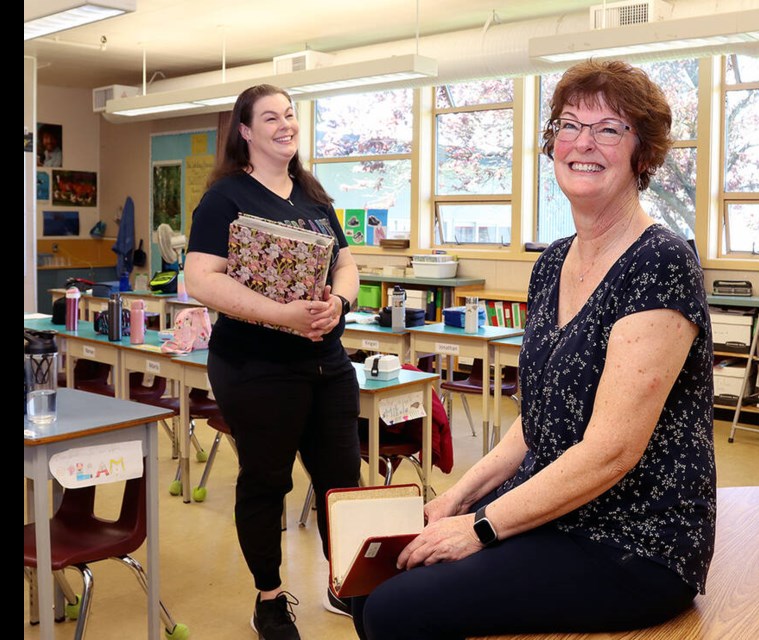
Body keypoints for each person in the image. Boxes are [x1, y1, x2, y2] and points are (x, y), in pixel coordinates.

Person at [353, 59, 717, 639]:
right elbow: (537, 422)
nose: (583, 143)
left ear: (642, 154)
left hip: (632, 539)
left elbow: (611, 452)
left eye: (609, 129)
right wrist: (457, 500)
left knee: (395, 610)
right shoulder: (551, 263)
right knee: (372, 580)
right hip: (555, 507)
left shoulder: (660, 262)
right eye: (569, 126)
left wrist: (480, 528)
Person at [184, 84, 361, 640]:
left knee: (341, 480)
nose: (285, 124)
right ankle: (269, 599)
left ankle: (346, 581)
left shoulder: (312, 195)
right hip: (255, 365)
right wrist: (280, 315)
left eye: (290, 114)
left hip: (325, 362)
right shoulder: (226, 198)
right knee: (267, 481)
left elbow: (347, 264)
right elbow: (200, 279)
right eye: (270, 117)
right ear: (244, 132)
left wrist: (341, 302)